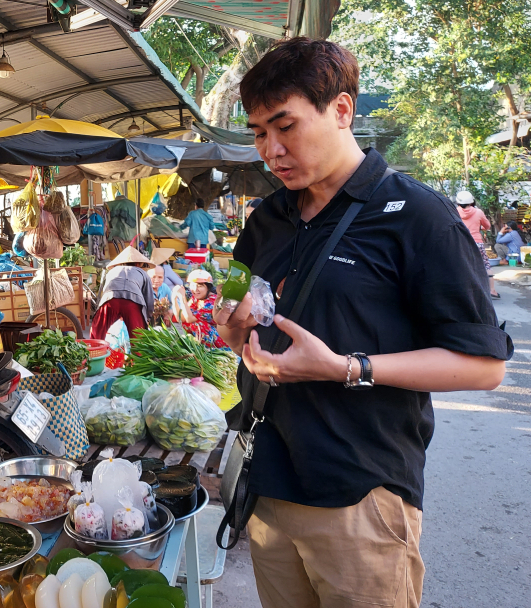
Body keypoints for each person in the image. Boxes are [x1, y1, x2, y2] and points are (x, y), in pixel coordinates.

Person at [213, 38, 509, 608]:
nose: (270, 150)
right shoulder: (268, 217)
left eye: (285, 126)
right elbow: (242, 304)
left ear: (343, 111)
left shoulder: (419, 216)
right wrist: (234, 332)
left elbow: (484, 367)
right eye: (257, 133)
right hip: (268, 485)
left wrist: (348, 368)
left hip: (359, 494)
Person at [90, 247, 154, 339]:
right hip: (132, 302)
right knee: (138, 340)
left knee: (97, 333)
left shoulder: (112, 271)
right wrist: (147, 318)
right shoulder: (143, 273)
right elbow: (149, 299)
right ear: (139, 263)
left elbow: (105, 291)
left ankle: (94, 351)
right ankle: (138, 354)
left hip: (110, 299)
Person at [456, 190, 501, 298]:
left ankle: (464, 292)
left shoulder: (455, 211)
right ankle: (492, 290)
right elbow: (487, 226)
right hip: (477, 243)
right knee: (485, 265)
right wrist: (479, 226)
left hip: (461, 243)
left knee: (462, 266)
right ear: (472, 201)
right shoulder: (478, 212)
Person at [172, 269, 229, 350]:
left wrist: (182, 298)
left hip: (221, 339)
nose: (195, 289)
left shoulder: (212, 302)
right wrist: (174, 298)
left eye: (200, 285)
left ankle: (208, 349)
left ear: (208, 287)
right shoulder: (196, 299)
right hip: (209, 336)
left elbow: (189, 319)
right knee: (187, 322)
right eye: (193, 285)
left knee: (196, 324)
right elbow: (181, 318)